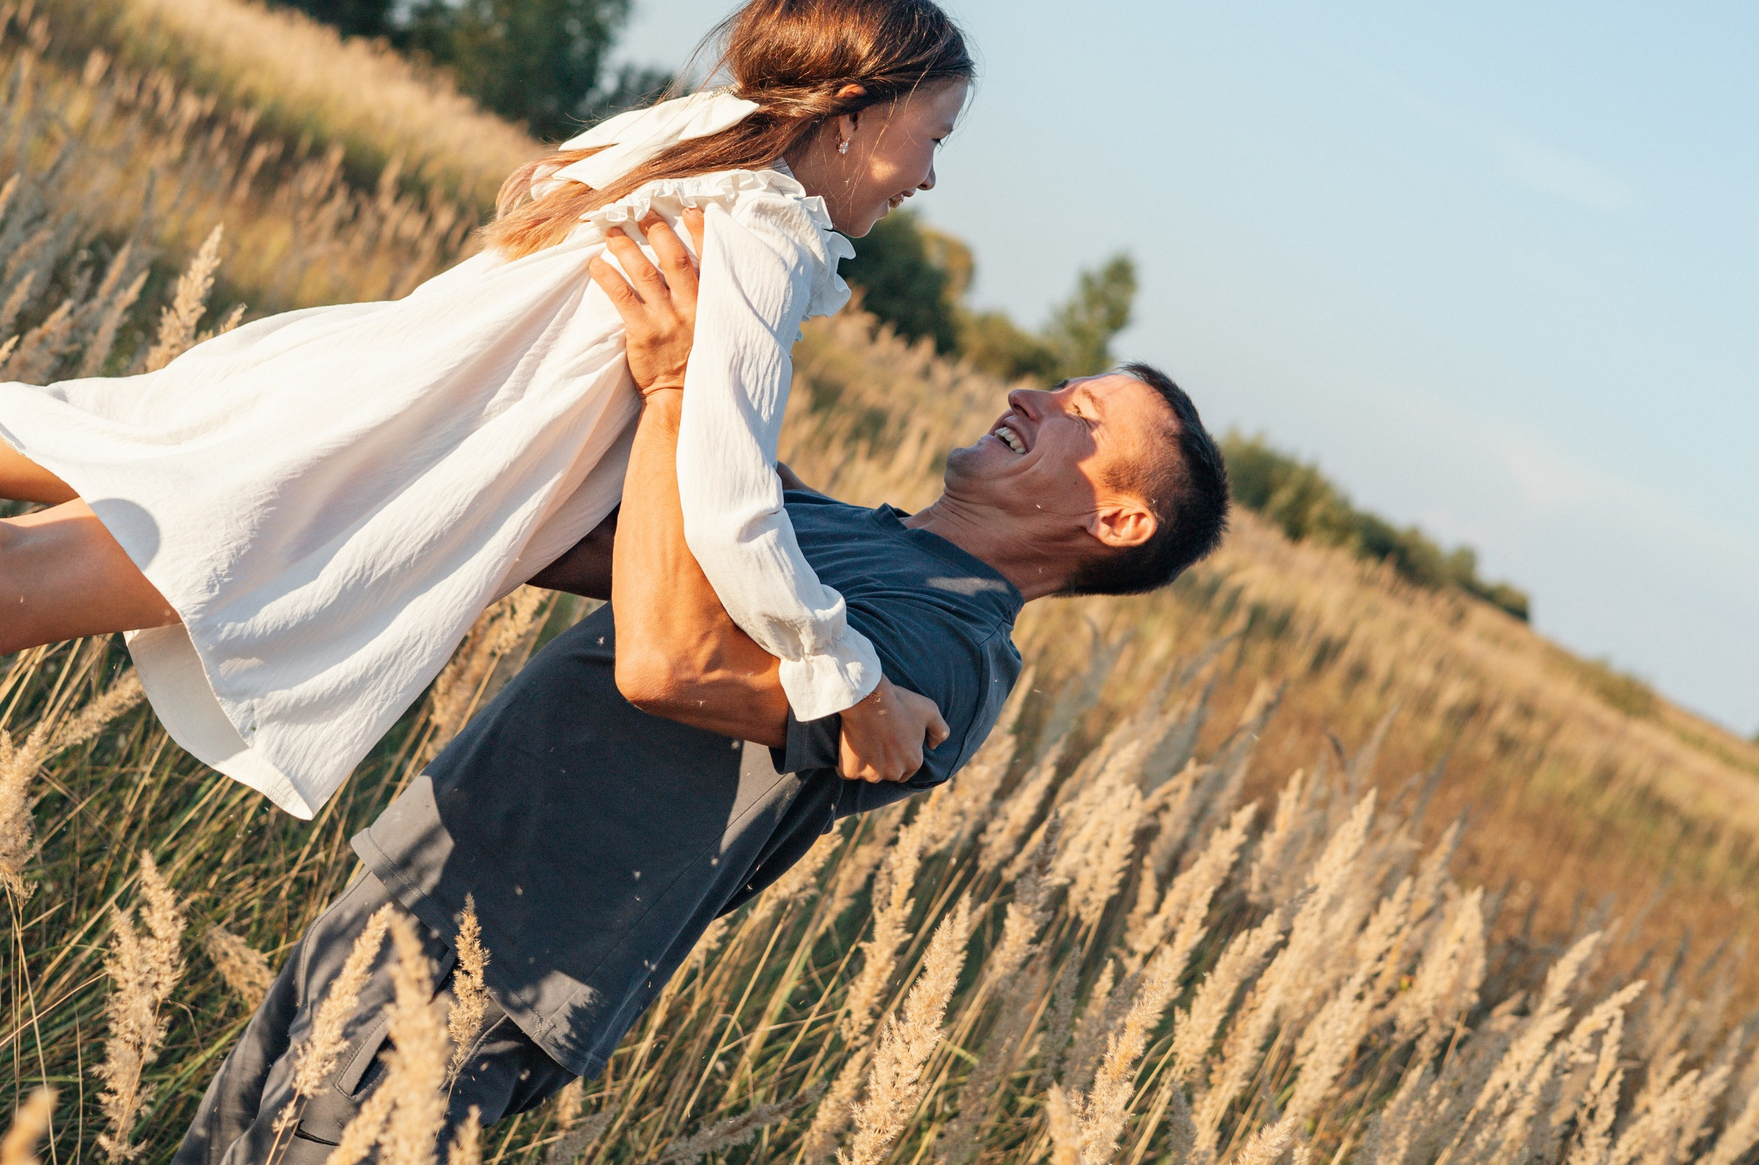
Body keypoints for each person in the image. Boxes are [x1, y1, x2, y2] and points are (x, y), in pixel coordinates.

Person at [0, 0, 971, 812]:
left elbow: (532, 238)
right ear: (851, 112)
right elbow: (722, 499)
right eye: (928, 132)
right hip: (325, 474)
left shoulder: (683, 145)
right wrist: (843, 677)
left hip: (317, 386)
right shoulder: (766, 241)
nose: (928, 172)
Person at [178, 205, 1232, 1162]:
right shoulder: (820, 528)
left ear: (1119, 519)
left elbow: (676, 666)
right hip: (407, 884)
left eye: (1081, 414)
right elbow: (560, 529)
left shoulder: (953, 651)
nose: (1032, 395)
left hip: (486, 975)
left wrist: (685, 386)